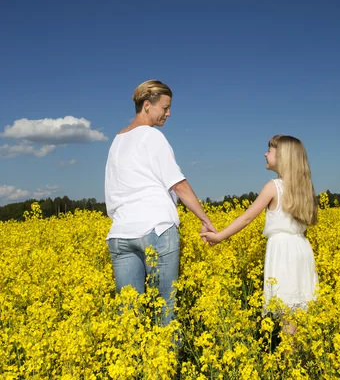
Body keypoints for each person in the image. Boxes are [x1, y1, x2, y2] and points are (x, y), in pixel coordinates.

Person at [105, 79, 216, 324]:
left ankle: (132, 362)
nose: (169, 113)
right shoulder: (152, 137)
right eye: (165, 108)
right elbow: (178, 185)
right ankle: (164, 362)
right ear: (147, 105)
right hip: (156, 230)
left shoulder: (116, 142)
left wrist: (124, 220)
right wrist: (205, 220)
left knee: (129, 313)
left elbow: (111, 195)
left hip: (120, 234)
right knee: (165, 310)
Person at [201, 134, 318, 329]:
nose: (265, 153)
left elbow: (247, 217)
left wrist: (219, 236)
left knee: (287, 316)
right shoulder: (304, 189)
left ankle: (288, 359)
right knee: (299, 314)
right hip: (301, 249)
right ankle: (299, 357)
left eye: (270, 150)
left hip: (282, 252)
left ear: (283, 157)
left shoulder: (273, 187)